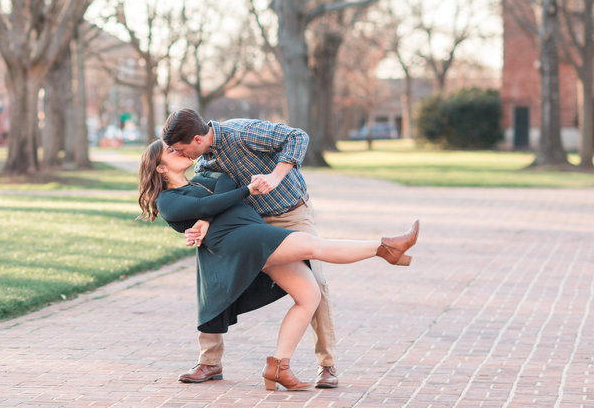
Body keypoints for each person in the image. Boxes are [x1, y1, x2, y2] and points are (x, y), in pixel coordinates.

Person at [137, 139, 419, 390]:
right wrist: (243, 192)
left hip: (252, 232)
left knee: (309, 295)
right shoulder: (168, 201)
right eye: (171, 151)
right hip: (242, 241)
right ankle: (386, 247)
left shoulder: (203, 179)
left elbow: (223, 183)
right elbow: (207, 205)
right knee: (314, 246)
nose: (180, 151)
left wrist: (208, 218)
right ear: (160, 169)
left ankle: (278, 367)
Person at [161, 108, 330, 387]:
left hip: (290, 214)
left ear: (197, 139)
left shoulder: (241, 131)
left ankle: (327, 365)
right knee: (212, 274)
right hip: (248, 222)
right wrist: (204, 220)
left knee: (317, 284)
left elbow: (297, 136)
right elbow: (216, 193)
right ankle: (209, 361)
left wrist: (276, 176)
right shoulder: (203, 161)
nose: (183, 156)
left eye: (182, 149)